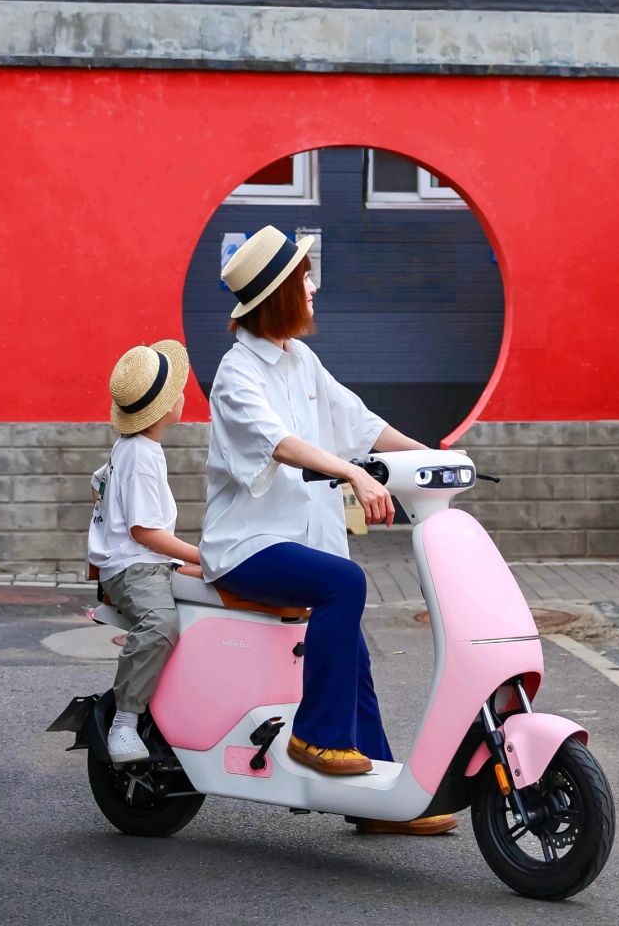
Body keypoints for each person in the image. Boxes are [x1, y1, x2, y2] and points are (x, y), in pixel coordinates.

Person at [202, 224, 457, 836]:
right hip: (246, 547)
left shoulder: (300, 359)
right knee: (344, 583)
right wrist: (353, 475)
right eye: (303, 279)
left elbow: (361, 423)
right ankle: (316, 739)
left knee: (352, 650)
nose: (313, 288)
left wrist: (437, 463)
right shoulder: (238, 374)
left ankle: (379, 799)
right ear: (278, 296)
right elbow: (280, 444)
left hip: (302, 544)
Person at [89, 339, 202, 765]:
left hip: (143, 562)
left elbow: (95, 481)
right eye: (177, 389)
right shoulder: (141, 456)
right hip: (135, 569)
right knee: (161, 624)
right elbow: (145, 531)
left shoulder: (134, 448)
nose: (182, 394)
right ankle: (125, 721)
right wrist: (198, 555)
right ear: (168, 406)